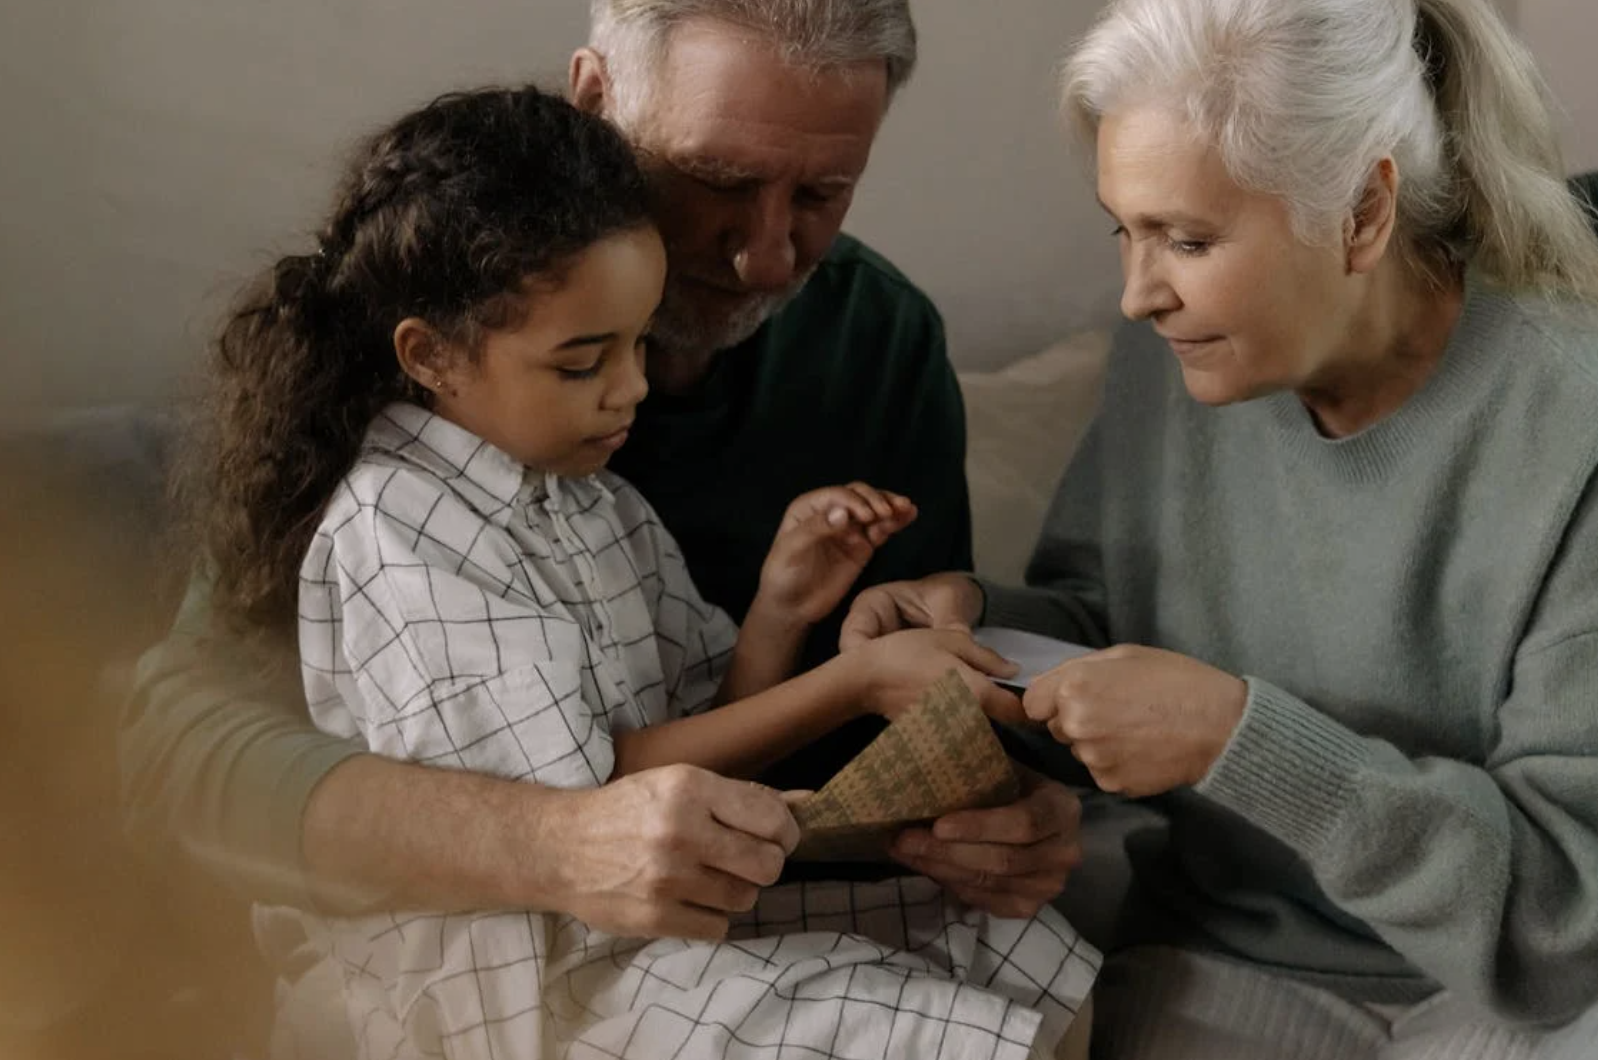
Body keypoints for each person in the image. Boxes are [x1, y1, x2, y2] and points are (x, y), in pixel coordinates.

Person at [121, 0, 1083, 950]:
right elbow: (183, 755)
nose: (766, 254)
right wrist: (556, 842)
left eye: (824, 194)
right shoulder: (424, 353)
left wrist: (1000, 807)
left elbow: (925, 702)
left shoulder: (880, 343)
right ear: (596, 98)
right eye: (716, 178)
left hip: (782, 916)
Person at [839, 0, 1598, 1056]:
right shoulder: (1173, 361)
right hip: (1230, 951)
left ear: (1362, 213)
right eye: (1125, 229)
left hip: (1516, 994)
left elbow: (1563, 914)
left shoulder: (1569, 421)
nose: (1136, 295)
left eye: (1185, 239)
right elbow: (1118, 623)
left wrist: (1239, 737)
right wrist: (983, 628)